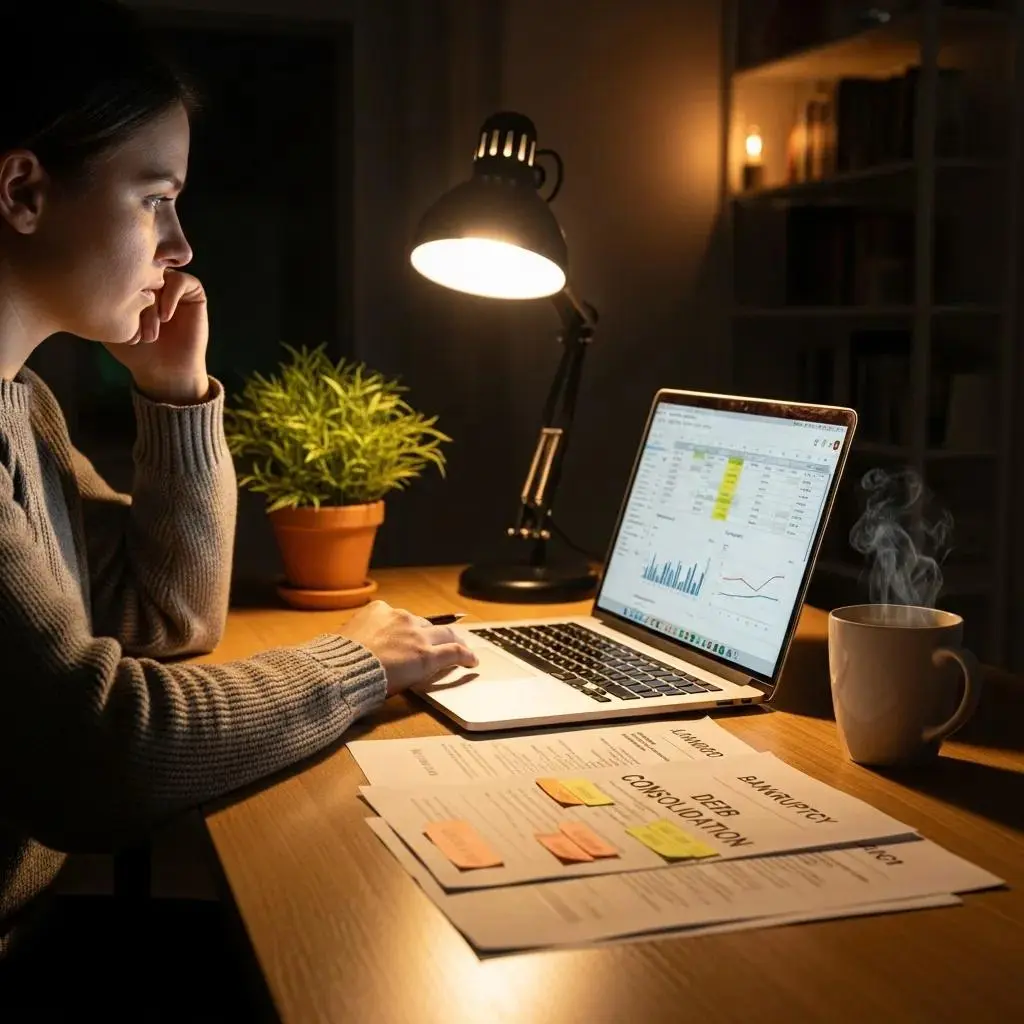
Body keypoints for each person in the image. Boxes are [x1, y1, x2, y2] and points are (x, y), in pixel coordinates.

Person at [0, 0, 477, 1011]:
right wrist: (361, 665)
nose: (178, 244)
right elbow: (102, 756)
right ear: (23, 190)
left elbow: (164, 620)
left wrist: (176, 397)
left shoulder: (22, 406)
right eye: (153, 199)